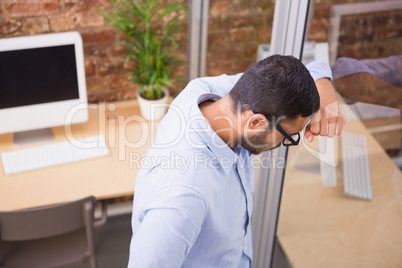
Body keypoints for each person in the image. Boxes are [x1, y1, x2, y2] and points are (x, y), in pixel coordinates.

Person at [128, 55, 344, 267]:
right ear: (256, 122)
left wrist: (324, 89)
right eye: (287, 137)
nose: (283, 144)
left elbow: (295, 75)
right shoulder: (184, 196)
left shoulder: (220, 95)